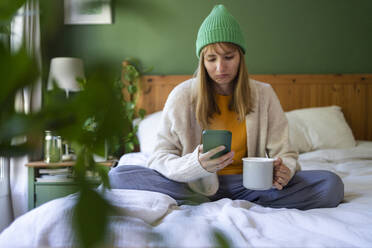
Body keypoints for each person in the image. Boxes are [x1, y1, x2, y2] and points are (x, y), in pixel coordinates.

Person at [109, 4, 344, 210]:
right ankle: (203, 197)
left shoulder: (264, 94)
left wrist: (285, 170)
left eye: (228, 56)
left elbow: (285, 154)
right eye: (212, 59)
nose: (220, 67)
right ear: (202, 61)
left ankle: (212, 200)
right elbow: (160, 157)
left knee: (331, 185)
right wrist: (196, 164)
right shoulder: (181, 96)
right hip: (193, 184)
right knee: (119, 175)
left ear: (241, 56)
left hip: (250, 185)